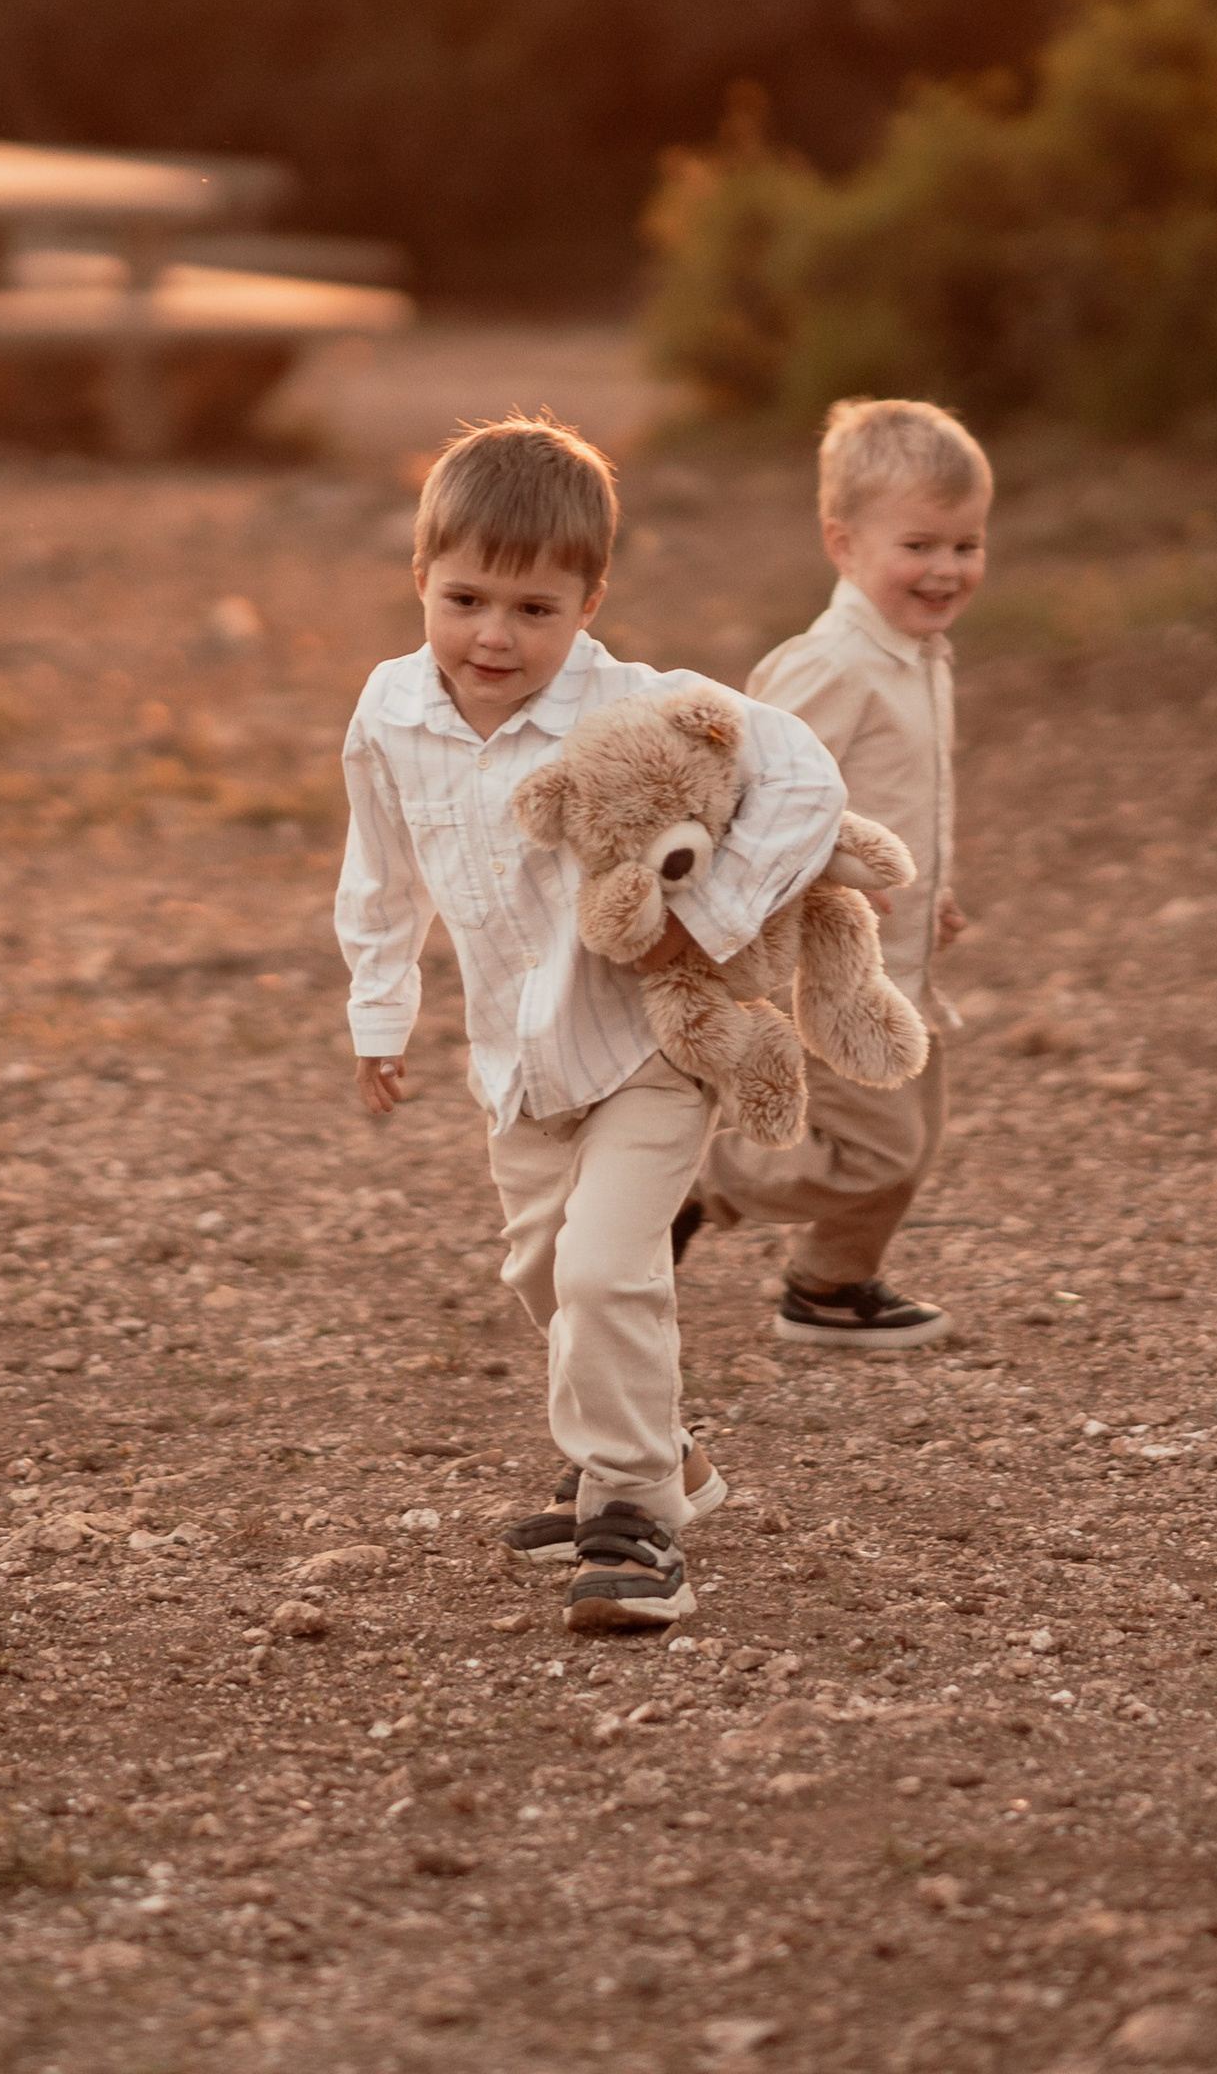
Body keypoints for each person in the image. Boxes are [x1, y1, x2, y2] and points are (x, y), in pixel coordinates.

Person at [337, 414, 848, 1630]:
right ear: (419, 577)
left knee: (607, 1270)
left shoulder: (643, 706)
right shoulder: (391, 709)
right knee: (542, 1274)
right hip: (521, 1064)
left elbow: (807, 778)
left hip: (648, 1048)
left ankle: (632, 1525)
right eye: (464, 599)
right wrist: (379, 1005)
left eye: (533, 609)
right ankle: (663, 1450)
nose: (493, 636)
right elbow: (381, 864)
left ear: (588, 599)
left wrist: (713, 916)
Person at [677, 396, 990, 1351]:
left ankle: (831, 1284)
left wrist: (929, 890)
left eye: (967, 545)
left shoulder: (916, 655)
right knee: (875, 1148)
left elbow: (894, 797)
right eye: (919, 545)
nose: (945, 570)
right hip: (830, 964)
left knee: (916, 1139)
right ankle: (689, 1187)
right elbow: (750, 791)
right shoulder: (831, 666)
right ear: (842, 543)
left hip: (898, 961)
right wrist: (815, 879)